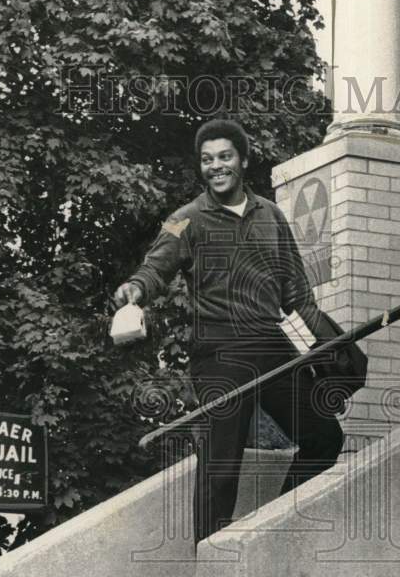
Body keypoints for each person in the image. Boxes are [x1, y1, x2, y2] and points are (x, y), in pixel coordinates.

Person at [113, 119, 343, 544]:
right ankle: (210, 561)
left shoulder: (271, 215)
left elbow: (297, 294)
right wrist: (135, 289)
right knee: (221, 461)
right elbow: (155, 268)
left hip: (272, 346)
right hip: (219, 352)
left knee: (325, 436)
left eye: (225, 156)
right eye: (207, 159)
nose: (216, 166)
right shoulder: (187, 219)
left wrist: (331, 350)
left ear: (244, 160)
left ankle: (272, 534)